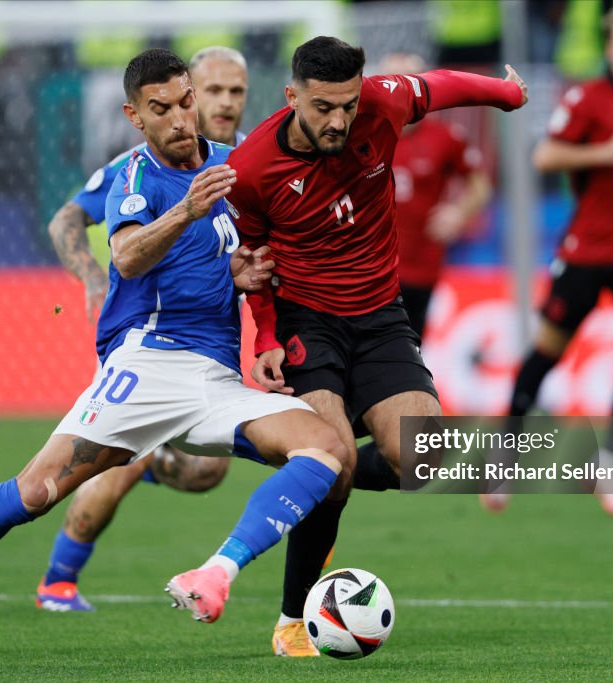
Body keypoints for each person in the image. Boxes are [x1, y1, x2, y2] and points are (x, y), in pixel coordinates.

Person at [0, 48, 351, 656]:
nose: (183, 118)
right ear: (135, 116)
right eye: (163, 109)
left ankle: (219, 576)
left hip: (216, 378)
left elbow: (223, 258)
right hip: (145, 366)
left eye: (187, 102)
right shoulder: (135, 176)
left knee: (330, 448)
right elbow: (125, 254)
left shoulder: (233, 168)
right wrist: (181, 211)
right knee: (35, 492)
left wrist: (244, 274)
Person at [227, 36, 527, 655]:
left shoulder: (382, 105)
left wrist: (506, 94)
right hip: (307, 320)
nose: (339, 119)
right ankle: (291, 622)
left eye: (347, 103)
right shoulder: (254, 168)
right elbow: (252, 260)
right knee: (328, 462)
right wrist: (264, 333)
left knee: (420, 459)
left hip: (381, 315)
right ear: (292, 97)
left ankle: (314, 472)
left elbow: (441, 87)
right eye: (322, 107)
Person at [37, 45, 250, 613]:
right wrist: (91, 276)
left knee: (209, 472)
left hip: (211, 342)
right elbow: (67, 219)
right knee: (106, 466)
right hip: (146, 341)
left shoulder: (243, 159)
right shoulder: (138, 167)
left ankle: (154, 459)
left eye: (236, 92)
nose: (221, 104)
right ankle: (59, 580)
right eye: (210, 92)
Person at [480, 2, 613, 520]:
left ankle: (609, 463)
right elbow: (545, 156)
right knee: (546, 355)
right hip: (586, 251)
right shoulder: (586, 99)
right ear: (610, 48)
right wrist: (601, 154)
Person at [379, 53, 494, 339]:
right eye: (392, 84)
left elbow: (480, 185)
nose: (401, 93)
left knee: (409, 347)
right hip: (367, 267)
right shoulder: (361, 136)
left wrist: (458, 213)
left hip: (419, 265)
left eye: (410, 84)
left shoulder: (446, 137)